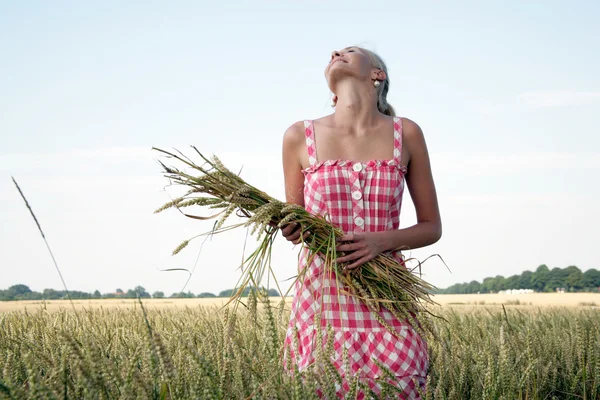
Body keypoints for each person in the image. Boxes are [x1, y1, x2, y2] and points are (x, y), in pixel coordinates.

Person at [280, 46, 442, 399]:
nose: (336, 52)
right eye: (334, 53)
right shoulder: (298, 136)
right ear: (331, 90)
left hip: (389, 303)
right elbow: (298, 224)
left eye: (350, 51)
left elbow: (432, 226)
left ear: (377, 75)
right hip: (323, 300)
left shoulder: (406, 133)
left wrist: (380, 242)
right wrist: (292, 228)